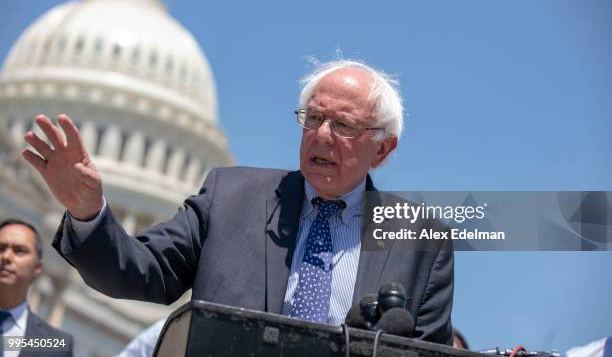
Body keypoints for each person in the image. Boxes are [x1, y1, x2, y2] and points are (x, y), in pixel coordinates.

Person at [22, 59, 454, 344]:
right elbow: (139, 271)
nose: (322, 135)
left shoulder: (419, 239)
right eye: (315, 118)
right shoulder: (229, 198)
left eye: (343, 125)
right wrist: (87, 213)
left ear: (382, 149)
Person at [0, 219, 74, 356]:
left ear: (38, 267)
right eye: (1, 248)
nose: (6, 256)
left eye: (19, 251)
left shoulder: (54, 345)